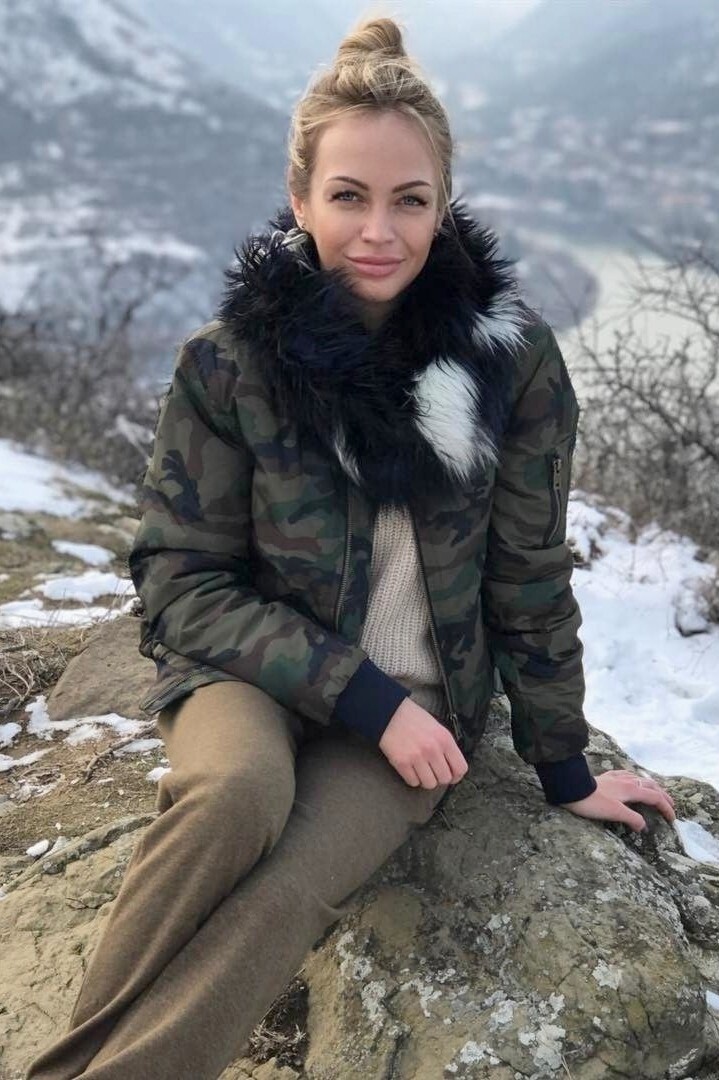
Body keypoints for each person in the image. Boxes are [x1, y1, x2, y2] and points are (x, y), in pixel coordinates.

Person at [25, 14, 676, 1080]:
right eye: (347, 196)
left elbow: (527, 570)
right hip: (257, 673)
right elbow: (180, 582)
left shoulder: (510, 364)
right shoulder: (229, 366)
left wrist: (561, 764)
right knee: (235, 798)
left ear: (442, 203)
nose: (378, 230)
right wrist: (358, 694)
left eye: (408, 200)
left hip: (421, 702)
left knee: (289, 890)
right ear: (299, 200)